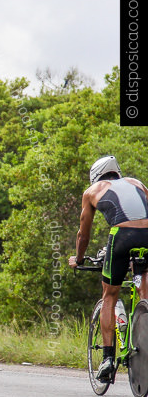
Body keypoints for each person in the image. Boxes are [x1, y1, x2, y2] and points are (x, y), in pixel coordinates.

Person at [68, 155, 148, 381]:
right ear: (118, 172)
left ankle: (107, 359)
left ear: (95, 176)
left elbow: (83, 233)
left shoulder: (92, 191)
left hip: (122, 236)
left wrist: (80, 258)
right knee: (143, 284)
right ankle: (144, 318)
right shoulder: (138, 184)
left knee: (109, 296)